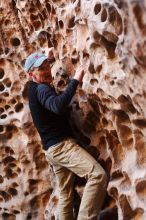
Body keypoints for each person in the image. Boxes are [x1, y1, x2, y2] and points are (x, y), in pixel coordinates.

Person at [24, 52, 107, 220]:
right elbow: (57, 106)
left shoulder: (32, 87)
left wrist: (48, 58)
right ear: (31, 74)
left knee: (66, 195)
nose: (47, 70)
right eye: (41, 68)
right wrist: (75, 80)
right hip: (62, 147)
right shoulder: (41, 88)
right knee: (98, 176)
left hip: (52, 152)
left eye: (47, 65)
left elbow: (42, 76)